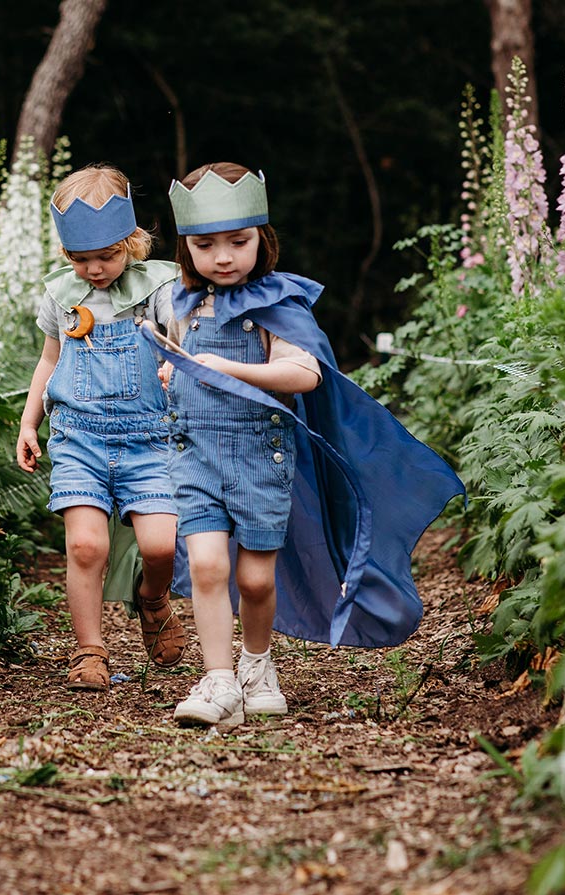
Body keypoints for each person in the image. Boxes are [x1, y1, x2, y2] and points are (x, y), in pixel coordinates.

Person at [146, 162, 465, 728]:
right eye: (205, 245)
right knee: (208, 567)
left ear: (261, 240)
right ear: (185, 248)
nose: (223, 256)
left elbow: (304, 374)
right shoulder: (176, 303)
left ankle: (257, 664)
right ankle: (218, 681)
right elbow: (172, 363)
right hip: (194, 456)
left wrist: (230, 370)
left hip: (259, 460)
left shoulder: (276, 304)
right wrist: (174, 374)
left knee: (255, 578)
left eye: (238, 242)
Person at [16, 164, 187, 691]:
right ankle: (89, 649)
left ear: (131, 241)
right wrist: (28, 423)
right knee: (86, 547)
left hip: (149, 437)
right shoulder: (61, 294)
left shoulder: (156, 287)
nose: (95, 269)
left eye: (106, 256)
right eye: (82, 259)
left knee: (161, 545)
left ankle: (152, 599)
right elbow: (49, 363)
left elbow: (181, 342)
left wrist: (175, 363)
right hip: (80, 439)